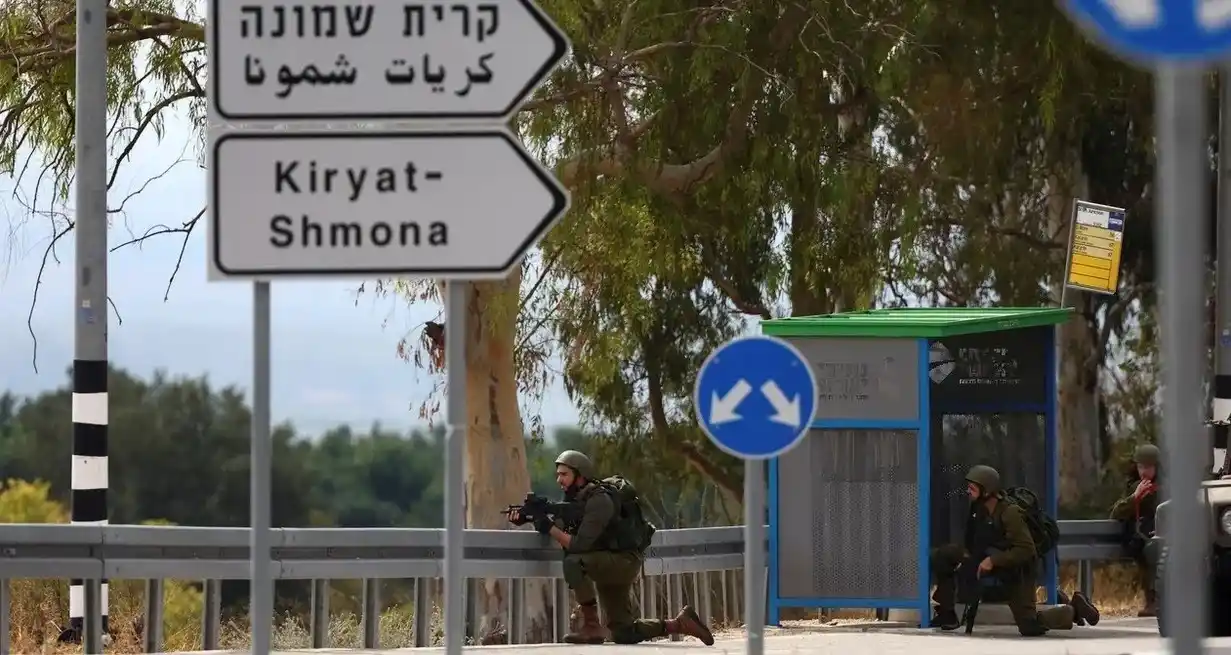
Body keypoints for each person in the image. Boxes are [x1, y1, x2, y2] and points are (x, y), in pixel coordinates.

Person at [508, 450, 714, 646]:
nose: (559, 480)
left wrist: (549, 527)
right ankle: (679, 624)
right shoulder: (575, 500)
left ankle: (591, 625)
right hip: (609, 561)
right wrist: (529, 518)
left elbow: (578, 544)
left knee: (573, 562)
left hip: (624, 562)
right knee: (624, 632)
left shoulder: (600, 500)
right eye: (558, 475)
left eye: (564, 474)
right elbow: (560, 528)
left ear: (579, 475)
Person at [929, 465, 1100, 636]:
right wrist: (969, 557)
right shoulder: (979, 509)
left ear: (987, 490)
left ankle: (1074, 609)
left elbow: (1026, 550)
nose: (968, 492)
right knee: (944, 554)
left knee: (1029, 626)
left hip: (1017, 569)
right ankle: (947, 614)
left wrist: (993, 561)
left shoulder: (1010, 513)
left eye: (972, 488)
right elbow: (974, 539)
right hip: (990, 559)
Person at [1110, 443, 1162, 617]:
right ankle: (1152, 600)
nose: (1144, 472)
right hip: (1141, 537)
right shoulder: (1134, 486)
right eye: (1141, 467)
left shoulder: (1166, 486)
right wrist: (1135, 498)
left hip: (1164, 535)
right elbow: (1116, 513)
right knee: (1147, 550)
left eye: (1148, 467)